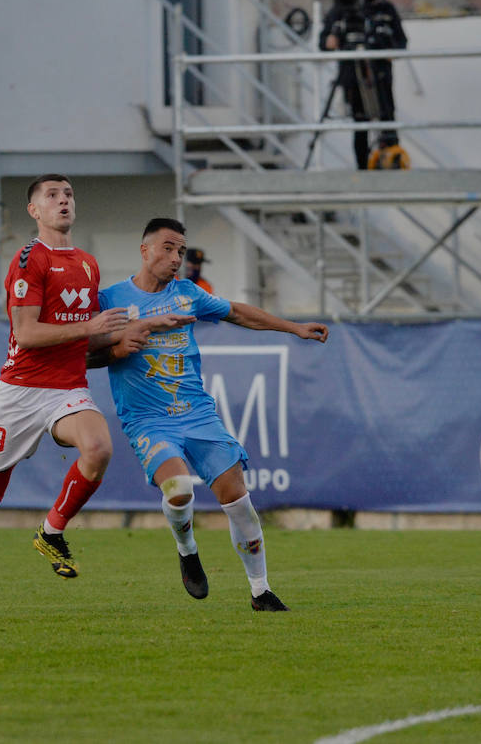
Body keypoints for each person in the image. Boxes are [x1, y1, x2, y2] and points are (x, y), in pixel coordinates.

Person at [0, 174, 192, 613]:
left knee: (98, 448)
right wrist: (92, 328)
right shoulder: (27, 260)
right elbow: (27, 333)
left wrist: (128, 332)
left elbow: (85, 339)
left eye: (69, 194)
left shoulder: (88, 264)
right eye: (52, 196)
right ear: (34, 211)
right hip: (19, 392)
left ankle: (51, 532)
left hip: (66, 388)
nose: (63, 201)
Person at [93, 218, 329, 611]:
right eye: (168, 248)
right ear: (144, 249)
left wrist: (294, 328)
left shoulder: (188, 294)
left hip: (198, 414)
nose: (176, 258)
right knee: (180, 488)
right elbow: (83, 355)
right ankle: (187, 550)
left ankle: (260, 591)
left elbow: (236, 312)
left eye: (181, 252)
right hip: (148, 418)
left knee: (239, 501)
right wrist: (119, 347)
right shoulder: (109, 300)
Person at [319, 0, 407, 170]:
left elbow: (400, 41)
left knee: (387, 117)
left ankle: (390, 161)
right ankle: (362, 167)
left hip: (380, 75)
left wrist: (389, 50)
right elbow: (323, 43)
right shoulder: (340, 12)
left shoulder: (384, 9)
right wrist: (331, 40)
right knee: (360, 123)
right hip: (351, 76)